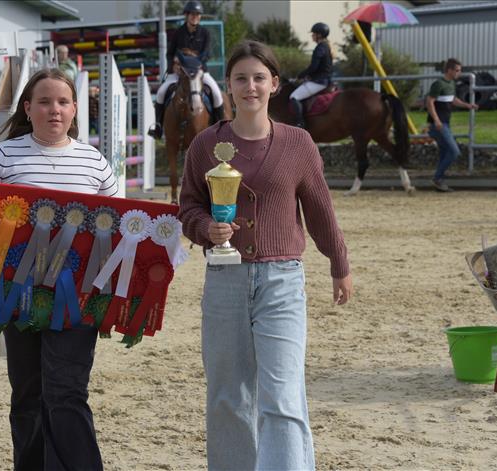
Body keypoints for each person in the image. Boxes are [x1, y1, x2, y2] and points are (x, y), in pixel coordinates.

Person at [178, 40, 352, 471]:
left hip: (282, 281)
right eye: (241, 78)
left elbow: (320, 209)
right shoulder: (204, 145)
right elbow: (188, 207)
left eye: (259, 78)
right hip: (224, 283)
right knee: (228, 397)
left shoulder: (299, 143)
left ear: (274, 84)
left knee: (283, 395)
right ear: (229, 85)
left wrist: (339, 262)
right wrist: (206, 228)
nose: (250, 86)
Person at [0, 69, 118, 470]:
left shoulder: (95, 162)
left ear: (75, 109)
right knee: (28, 393)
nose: (54, 110)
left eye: (62, 102)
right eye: (44, 102)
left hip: (77, 295)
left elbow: (119, 229)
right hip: (18, 291)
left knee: (67, 392)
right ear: (27, 109)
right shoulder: (1, 157)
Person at [148, 0, 225, 139]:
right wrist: (173, 66)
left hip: (199, 72)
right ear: (187, 15)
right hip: (179, 73)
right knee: (161, 92)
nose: (195, 17)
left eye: (197, 14)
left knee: (217, 94)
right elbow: (169, 54)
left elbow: (206, 54)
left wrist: (197, 63)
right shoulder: (178, 33)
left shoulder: (205, 33)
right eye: (192, 14)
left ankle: (221, 128)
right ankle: (158, 127)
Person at [426, 57, 478, 192]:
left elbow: (453, 99)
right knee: (454, 152)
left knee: (445, 152)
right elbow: (429, 102)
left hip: (445, 124)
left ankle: (439, 181)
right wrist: (436, 120)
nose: (459, 73)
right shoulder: (439, 84)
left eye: (459, 70)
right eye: (457, 70)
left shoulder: (451, 84)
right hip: (438, 125)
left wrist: (467, 105)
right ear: (449, 70)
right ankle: (437, 178)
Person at [290, 22, 334, 128]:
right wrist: (309, 76)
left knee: (294, 97)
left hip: (319, 81)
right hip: (323, 79)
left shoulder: (320, 48)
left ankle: (300, 123)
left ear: (319, 35)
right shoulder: (326, 46)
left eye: (313, 34)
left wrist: (300, 76)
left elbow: (313, 67)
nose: (312, 36)